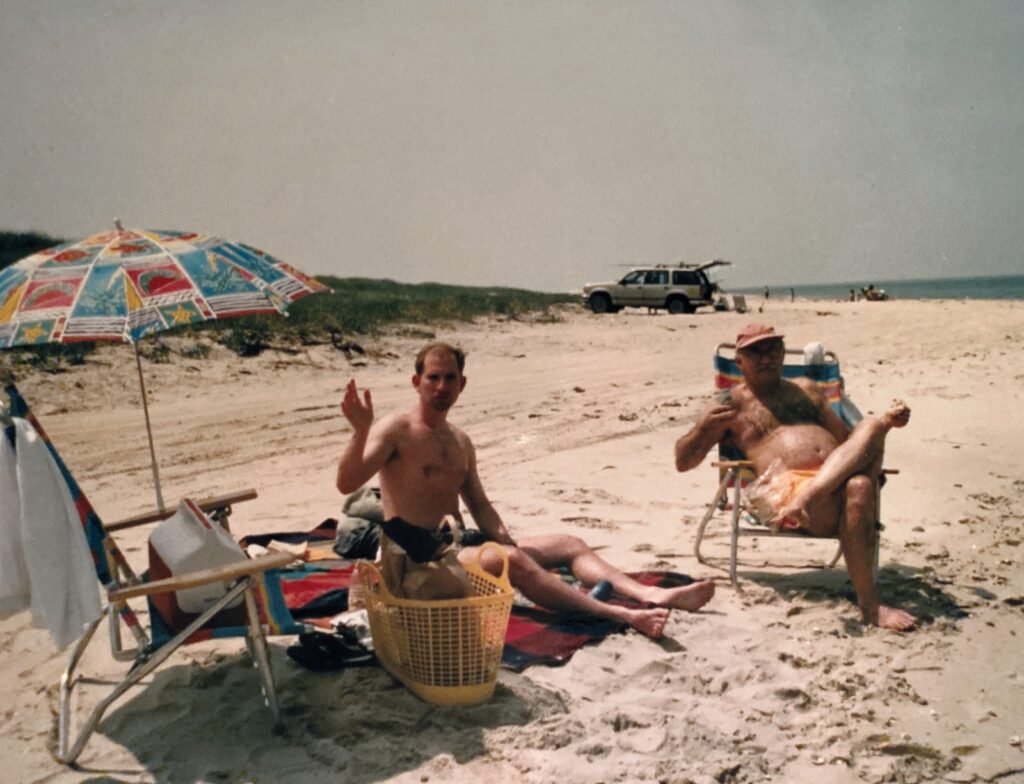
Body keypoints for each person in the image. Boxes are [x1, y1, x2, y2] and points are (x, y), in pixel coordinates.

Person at [337, 341, 715, 639]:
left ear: (462, 384)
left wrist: (506, 540)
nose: (441, 387)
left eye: (450, 378)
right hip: (412, 562)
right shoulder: (396, 430)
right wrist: (359, 432)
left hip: (449, 548)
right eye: (433, 378)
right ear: (416, 382)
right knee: (514, 563)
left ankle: (648, 594)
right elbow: (347, 483)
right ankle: (625, 614)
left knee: (566, 543)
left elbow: (480, 505)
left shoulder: (460, 441)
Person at [673, 324, 915, 631]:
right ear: (739, 363)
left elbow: (846, 443)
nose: (766, 358)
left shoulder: (808, 390)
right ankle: (871, 605)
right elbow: (683, 461)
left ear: (783, 353)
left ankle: (817, 491)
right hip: (790, 498)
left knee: (869, 426)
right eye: (756, 352)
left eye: (773, 349)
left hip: (828, 484)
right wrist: (701, 429)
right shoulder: (730, 405)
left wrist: (875, 438)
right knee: (861, 486)